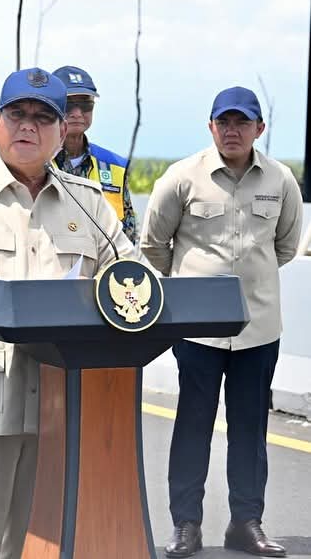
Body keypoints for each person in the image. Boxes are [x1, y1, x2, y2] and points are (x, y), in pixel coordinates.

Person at [0, 68, 136, 559]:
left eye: (43, 117)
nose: (28, 126)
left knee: (39, 542)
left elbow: (130, 273)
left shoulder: (88, 202)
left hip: (59, 397)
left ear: (62, 131)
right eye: (17, 114)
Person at [140, 86, 303, 558]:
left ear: (259, 128)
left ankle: (246, 524)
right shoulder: (181, 177)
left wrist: (247, 281)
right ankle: (186, 525)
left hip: (257, 328)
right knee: (192, 426)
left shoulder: (280, 179)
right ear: (211, 126)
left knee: (250, 431)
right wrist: (192, 291)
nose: (233, 130)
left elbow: (286, 246)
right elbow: (154, 244)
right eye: (224, 122)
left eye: (242, 122)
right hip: (197, 331)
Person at [52, 65, 139, 243]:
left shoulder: (115, 165)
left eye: (85, 105)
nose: (77, 113)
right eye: (68, 105)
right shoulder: (34, 162)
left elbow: (128, 234)